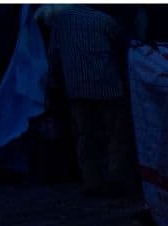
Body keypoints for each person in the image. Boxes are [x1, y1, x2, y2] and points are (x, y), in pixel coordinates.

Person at [44, 5, 133, 196]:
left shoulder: (61, 20)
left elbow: (54, 53)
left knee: (86, 136)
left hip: (77, 87)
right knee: (116, 135)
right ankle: (115, 178)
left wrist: (54, 82)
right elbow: (124, 46)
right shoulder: (104, 20)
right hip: (108, 86)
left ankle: (93, 181)